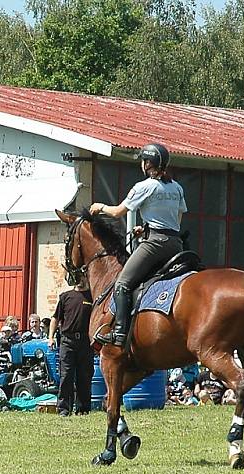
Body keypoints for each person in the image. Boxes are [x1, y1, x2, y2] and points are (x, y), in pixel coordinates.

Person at [88, 143, 186, 346]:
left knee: (122, 284)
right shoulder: (176, 187)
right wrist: (146, 228)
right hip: (176, 244)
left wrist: (100, 207)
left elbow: (117, 212)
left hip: (155, 244)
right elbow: (178, 218)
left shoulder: (145, 186)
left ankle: (119, 333)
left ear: (148, 163)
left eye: (144, 160)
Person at [48, 276, 94, 416]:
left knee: (84, 376)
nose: (80, 280)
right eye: (78, 277)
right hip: (67, 341)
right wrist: (50, 337)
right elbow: (55, 318)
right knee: (66, 375)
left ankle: (83, 409)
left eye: (83, 276)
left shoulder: (92, 297)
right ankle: (63, 408)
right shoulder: (65, 297)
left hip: (86, 342)